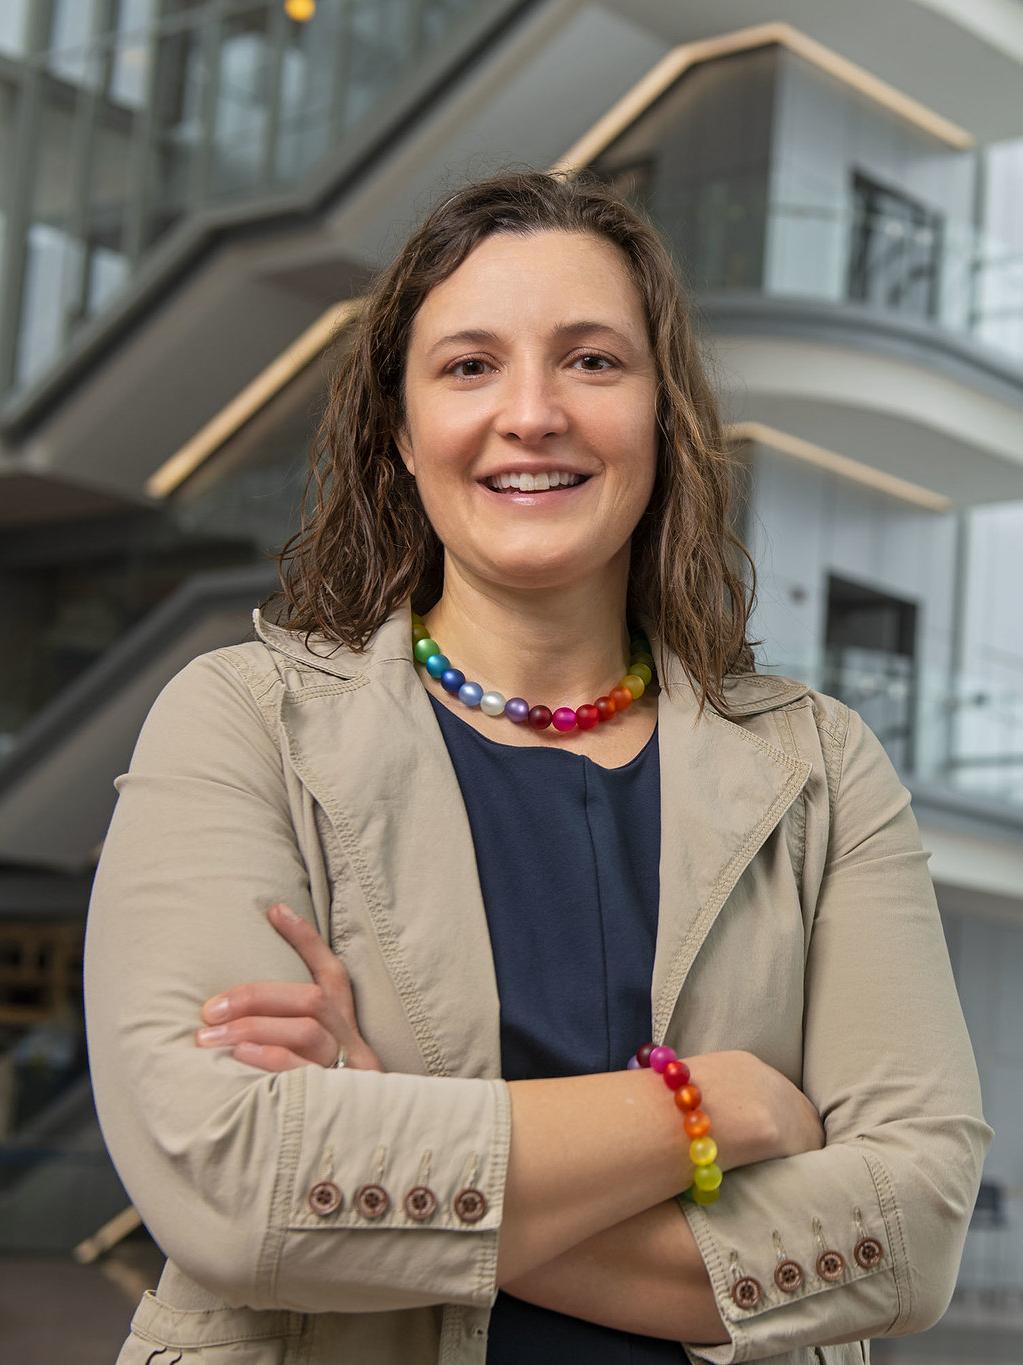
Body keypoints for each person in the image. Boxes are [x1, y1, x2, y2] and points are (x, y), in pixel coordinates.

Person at [83, 169, 993, 1365]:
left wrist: (380, 1141)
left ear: (663, 417)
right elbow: (230, 1188)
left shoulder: (819, 769)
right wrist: (713, 1108)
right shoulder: (241, 723)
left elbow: (911, 1231)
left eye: (592, 361)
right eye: (469, 366)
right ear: (401, 436)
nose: (533, 413)